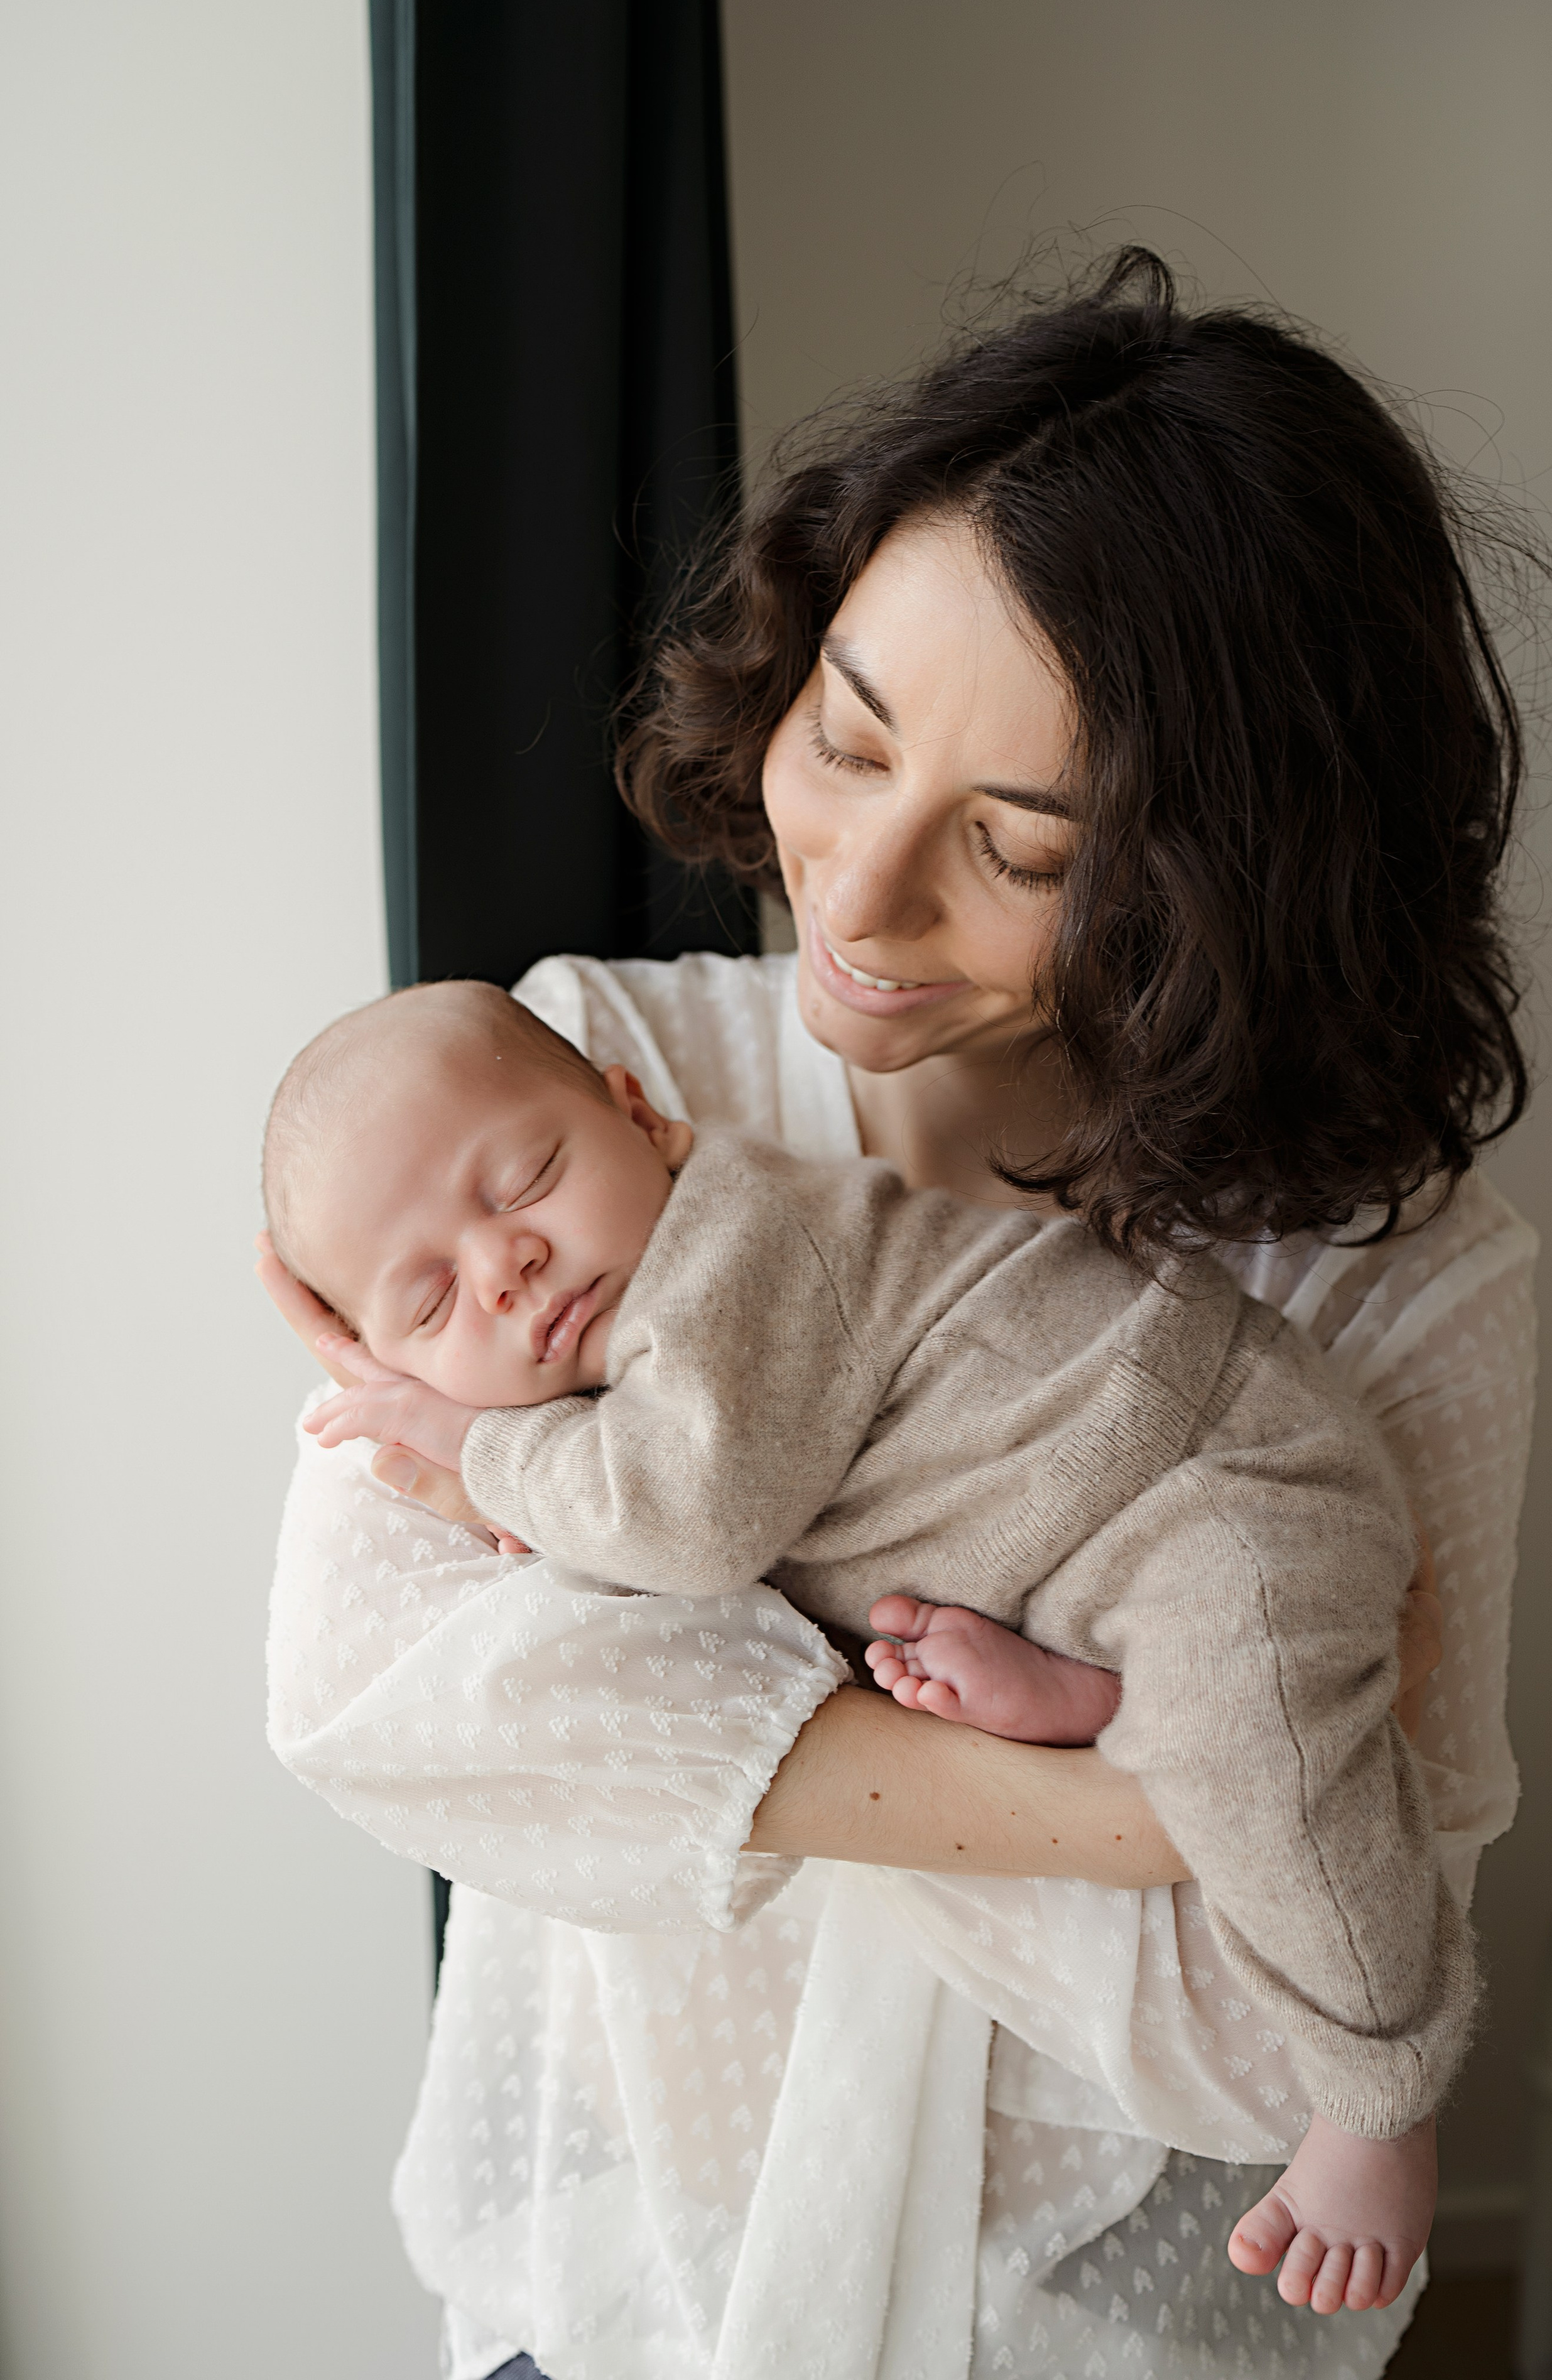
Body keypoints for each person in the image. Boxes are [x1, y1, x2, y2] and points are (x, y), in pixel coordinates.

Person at [260, 250, 1541, 2379]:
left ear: (1225, 881)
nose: (851, 896)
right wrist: (1157, 1805)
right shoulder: (564, 1099)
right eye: (843, 740)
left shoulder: (1388, 1283)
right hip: (613, 2288)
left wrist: (668, 1704)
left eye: (1019, 848)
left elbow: (1282, 2028)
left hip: (1097, 2326)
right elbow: (379, 1707)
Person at [262, 974, 1465, 2308]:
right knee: (1109, 1692)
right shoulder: (618, 1376)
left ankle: (1380, 2092)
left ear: (638, 1115)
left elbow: (690, 1523)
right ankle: (1093, 1696)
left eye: (526, 1178)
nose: (504, 1268)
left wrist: (481, 1451)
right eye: (428, 1305)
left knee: (1265, 1756)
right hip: (1065, 1540)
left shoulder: (730, 1247)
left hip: (1207, 1473)